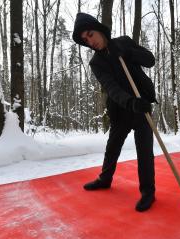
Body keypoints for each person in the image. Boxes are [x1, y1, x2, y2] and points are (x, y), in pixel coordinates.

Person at [72, 12, 157, 212]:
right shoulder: (96, 63)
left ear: (99, 30)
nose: (89, 41)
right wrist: (130, 102)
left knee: (145, 151)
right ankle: (105, 179)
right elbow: (111, 88)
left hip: (142, 106)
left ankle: (148, 192)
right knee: (113, 147)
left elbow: (150, 60)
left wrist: (127, 53)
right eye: (85, 39)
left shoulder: (124, 42)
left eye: (90, 34)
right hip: (121, 109)